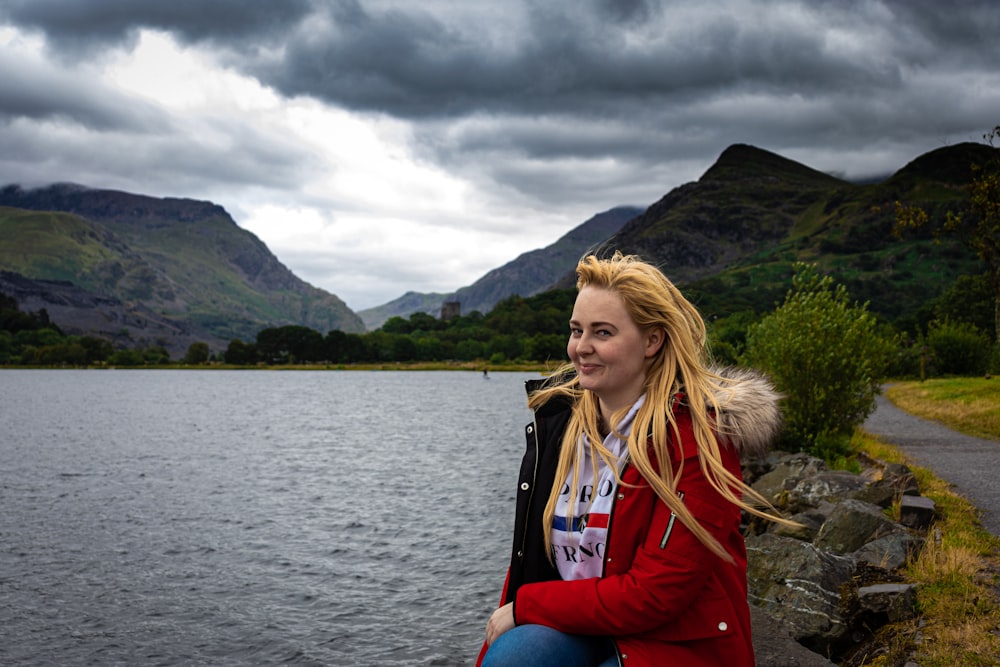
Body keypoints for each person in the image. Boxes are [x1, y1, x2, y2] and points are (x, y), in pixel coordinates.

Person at [477, 252, 792, 667]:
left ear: (652, 340)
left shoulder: (697, 439)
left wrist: (525, 606)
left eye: (602, 332)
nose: (581, 348)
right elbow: (529, 557)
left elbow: (656, 593)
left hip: (674, 640)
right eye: (576, 330)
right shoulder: (559, 426)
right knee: (513, 659)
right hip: (577, 623)